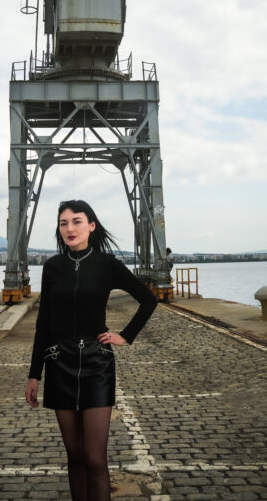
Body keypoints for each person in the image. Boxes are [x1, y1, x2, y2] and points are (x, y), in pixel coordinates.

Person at [25, 199, 158, 501]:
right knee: (75, 456)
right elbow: (43, 323)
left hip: (97, 365)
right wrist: (34, 375)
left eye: (77, 221)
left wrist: (125, 336)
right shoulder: (52, 267)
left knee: (95, 459)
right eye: (63, 223)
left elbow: (148, 300)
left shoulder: (107, 264)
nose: (69, 228)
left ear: (91, 226)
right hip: (59, 364)